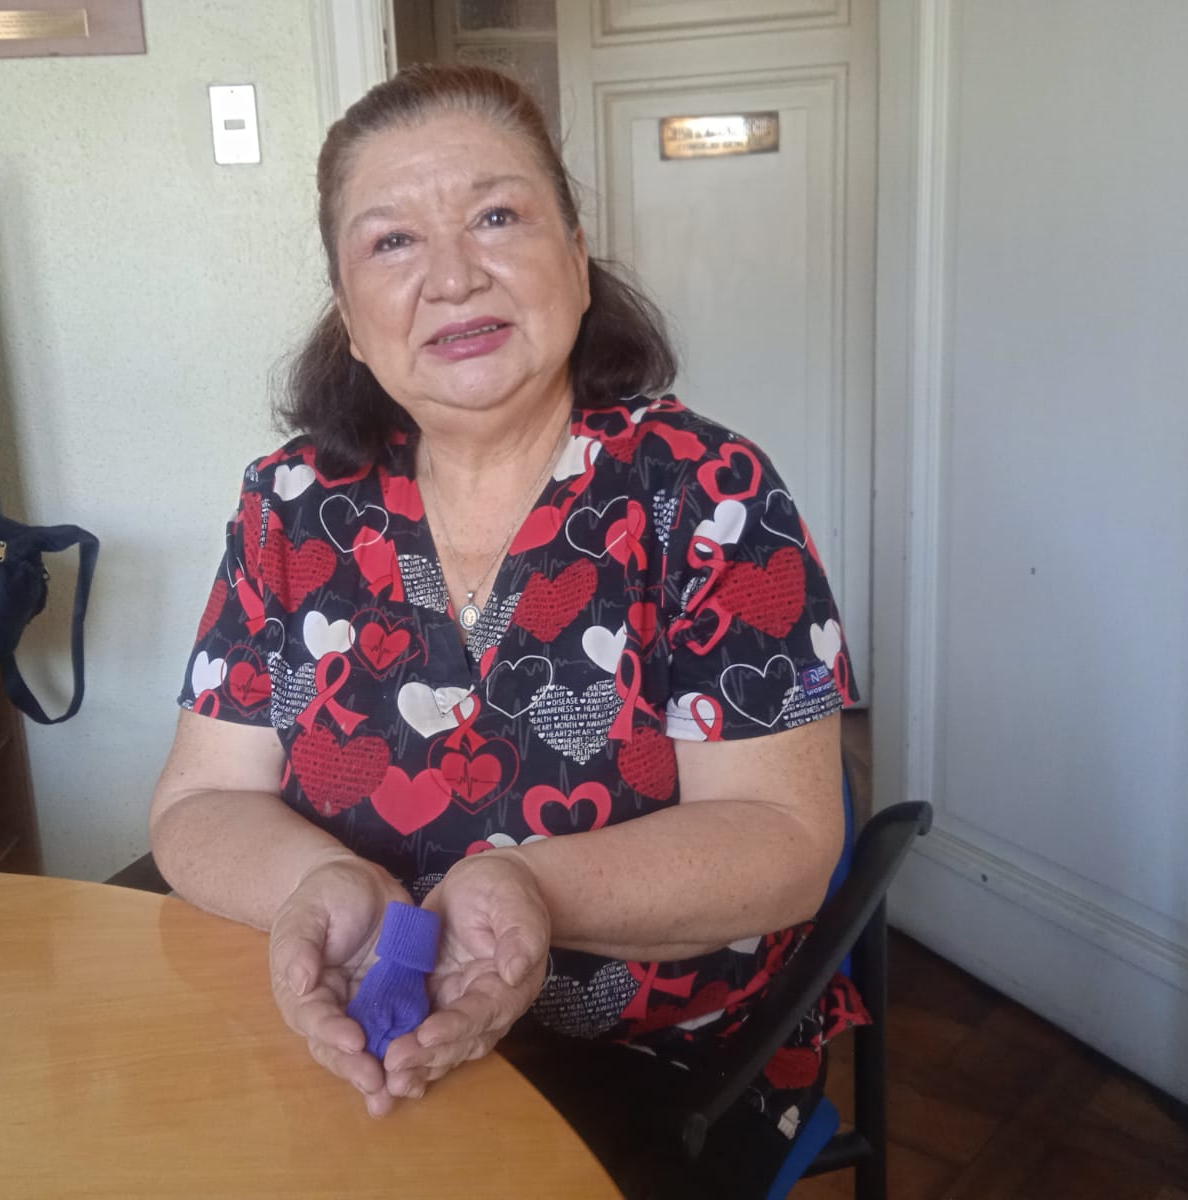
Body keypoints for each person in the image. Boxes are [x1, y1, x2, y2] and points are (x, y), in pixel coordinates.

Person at [151, 63, 863, 1192]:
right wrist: (317, 884)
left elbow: (785, 844)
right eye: (392, 241)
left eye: (496, 216)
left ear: (575, 261)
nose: (452, 276)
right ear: (349, 316)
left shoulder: (708, 494)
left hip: (649, 1062)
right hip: (348, 1027)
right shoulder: (288, 506)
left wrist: (530, 889)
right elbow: (200, 801)